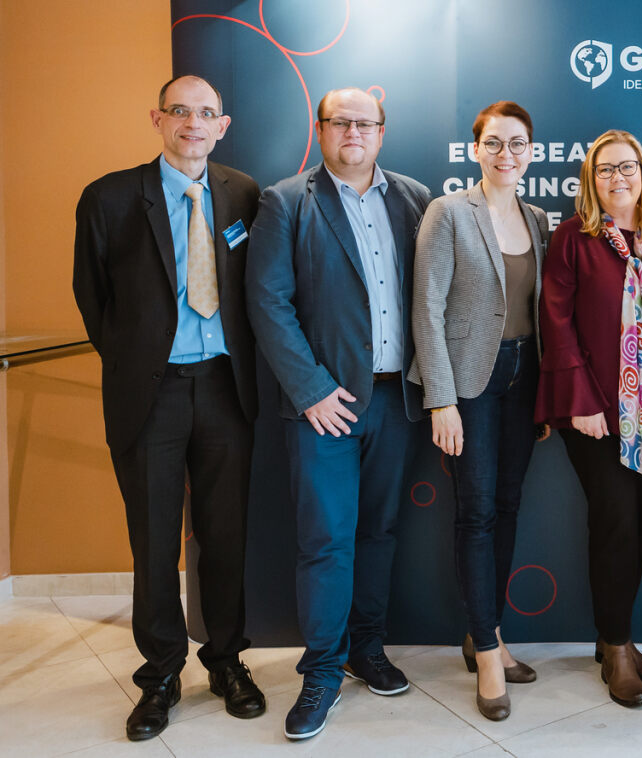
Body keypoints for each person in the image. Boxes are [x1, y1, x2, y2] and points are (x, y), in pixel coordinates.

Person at [73, 75, 265, 740]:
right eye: (179, 110)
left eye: (205, 113)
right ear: (157, 119)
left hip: (226, 390)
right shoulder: (109, 197)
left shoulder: (243, 193)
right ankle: (159, 676)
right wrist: (141, 358)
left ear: (222, 125)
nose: (192, 123)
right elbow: (93, 296)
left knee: (225, 536)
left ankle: (227, 662)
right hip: (150, 394)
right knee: (154, 543)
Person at [246, 87, 432, 740]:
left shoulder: (414, 198)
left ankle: (366, 649)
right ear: (321, 129)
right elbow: (268, 302)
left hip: (396, 400)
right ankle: (322, 670)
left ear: (382, 131)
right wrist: (311, 390)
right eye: (340, 122)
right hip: (324, 406)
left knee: (379, 533)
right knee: (326, 540)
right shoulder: (286, 201)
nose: (353, 132)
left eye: (365, 123)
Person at [535, 129, 642, 709]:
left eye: (627, 167)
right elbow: (556, 320)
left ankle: (612, 634)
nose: (617, 178)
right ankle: (618, 647)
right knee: (616, 522)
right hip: (596, 411)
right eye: (605, 170)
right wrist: (580, 400)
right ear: (591, 180)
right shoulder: (573, 238)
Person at [410, 101, 549, 722]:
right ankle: (489, 656)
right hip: (470, 383)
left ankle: (484, 632)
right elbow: (426, 306)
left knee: (509, 506)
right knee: (477, 513)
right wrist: (441, 398)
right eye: (494, 143)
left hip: (525, 379)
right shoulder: (448, 212)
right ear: (476, 150)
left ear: (530, 152)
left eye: (517, 144)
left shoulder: (538, 218)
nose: (505, 154)